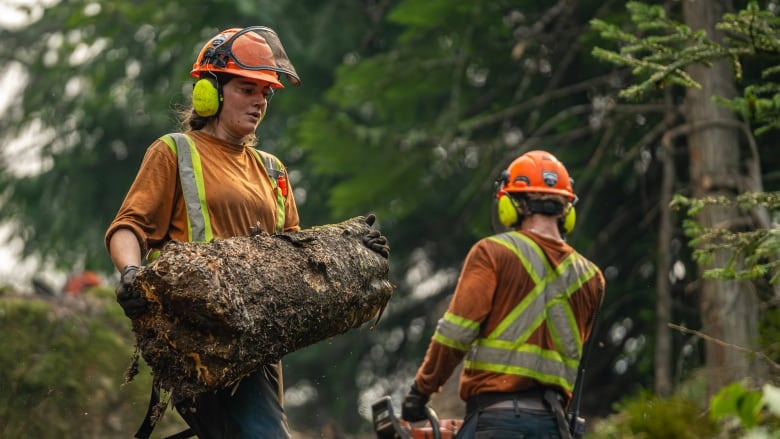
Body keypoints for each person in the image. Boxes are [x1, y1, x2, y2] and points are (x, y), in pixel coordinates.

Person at [105, 26, 389, 439]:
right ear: (210, 92)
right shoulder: (174, 152)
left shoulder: (272, 170)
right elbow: (128, 227)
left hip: (258, 345)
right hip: (198, 336)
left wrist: (354, 252)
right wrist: (131, 273)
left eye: (266, 93)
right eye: (247, 89)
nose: (260, 101)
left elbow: (298, 255)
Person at [401, 150, 605, 439]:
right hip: (555, 427)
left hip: (497, 420)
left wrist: (419, 393)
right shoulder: (591, 278)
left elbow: (454, 335)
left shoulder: (492, 253)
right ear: (567, 211)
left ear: (509, 205)